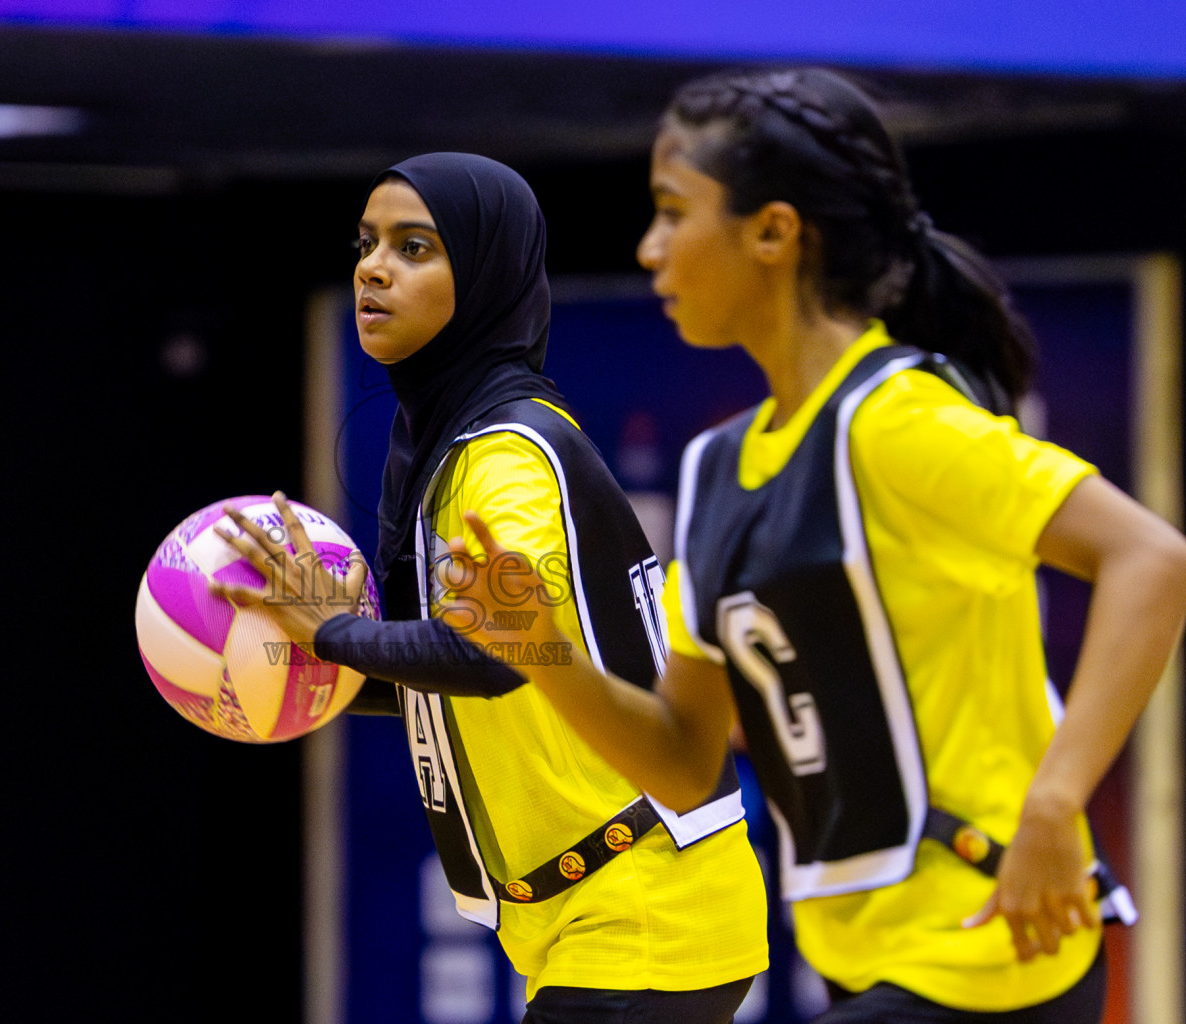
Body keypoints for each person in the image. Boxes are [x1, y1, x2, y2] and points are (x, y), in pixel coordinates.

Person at [437, 68, 1186, 1023]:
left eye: (673, 214)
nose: (650, 249)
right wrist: (541, 653)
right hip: (865, 957)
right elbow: (683, 756)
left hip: (993, 943)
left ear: (774, 232)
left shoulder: (897, 421)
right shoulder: (717, 469)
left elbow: (1151, 560)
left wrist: (1053, 807)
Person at [210, 152, 768, 1023]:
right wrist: (288, 672)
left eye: (416, 246)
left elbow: (496, 657)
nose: (373, 267)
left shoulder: (506, 457)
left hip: (644, 911)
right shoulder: (451, 445)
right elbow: (476, 689)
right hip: (597, 915)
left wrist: (329, 635)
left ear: (487, 277)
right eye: (366, 243)